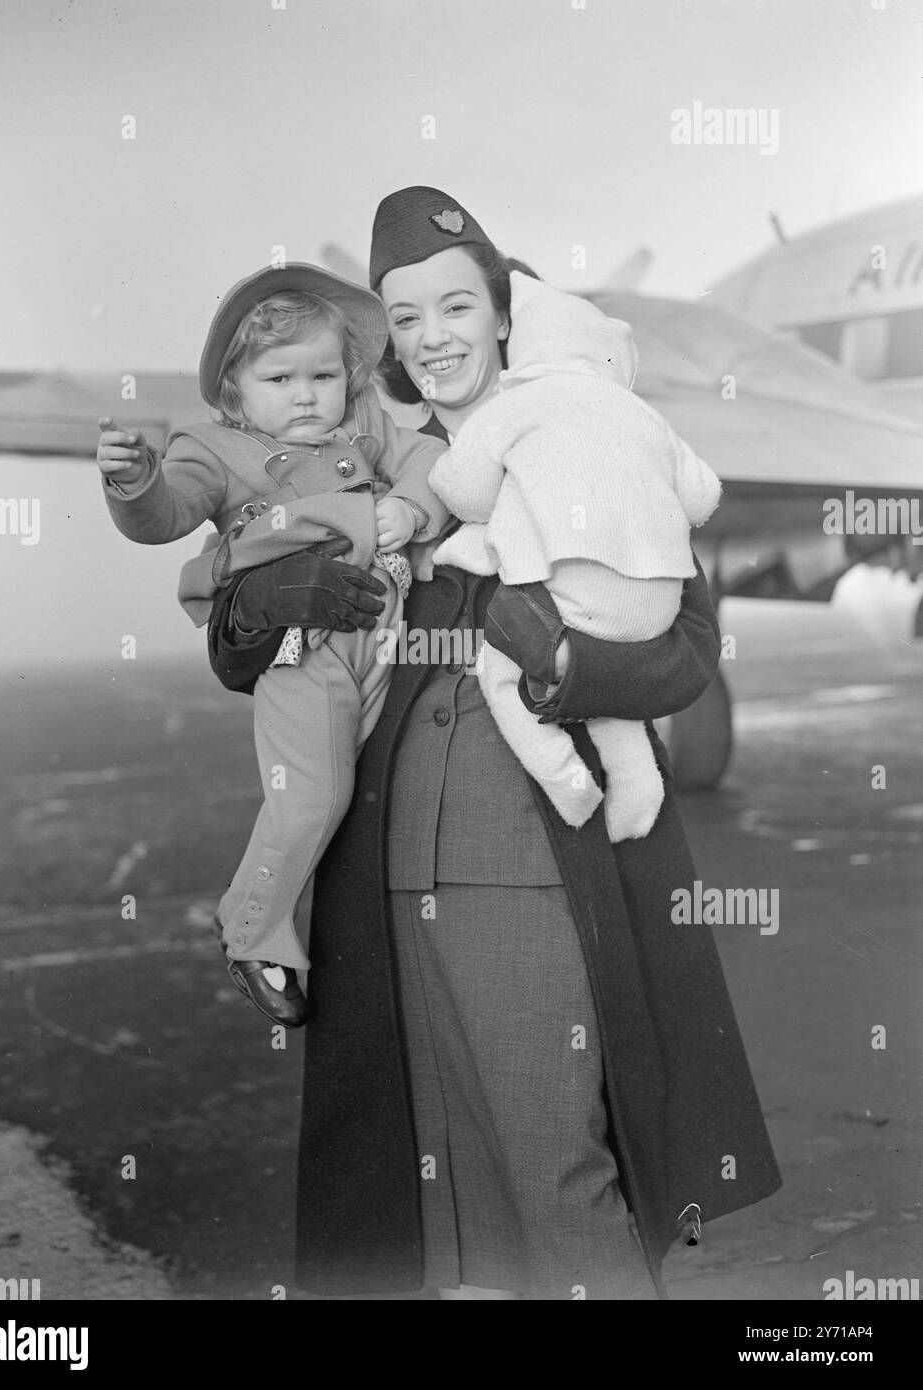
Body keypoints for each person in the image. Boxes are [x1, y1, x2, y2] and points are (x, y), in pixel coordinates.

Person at [207, 186, 781, 1300]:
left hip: (521, 859)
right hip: (379, 869)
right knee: (444, 1201)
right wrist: (284, 593)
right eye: (405, 318)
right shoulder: (355, 456)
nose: (432, 340)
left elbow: (686, 649)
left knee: (551, 1168)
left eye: (455, 307)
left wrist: (561, 662)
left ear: (505, 312)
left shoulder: (584, 429)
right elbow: (238, 646)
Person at [96, 263, 448, 1026]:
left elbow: (424, 458)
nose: (306, 394)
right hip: (303, 649)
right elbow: (167, 514)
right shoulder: (213, 447)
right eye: (280, 377)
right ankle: (252, 929)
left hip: (385, 640)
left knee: (375, 791)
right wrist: (135, 482)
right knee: (313, 795)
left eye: (323, 373)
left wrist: (414, 510)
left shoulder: (365, 423)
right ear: (233, 389)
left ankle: (365, 961)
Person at [428, 269, 722, 839]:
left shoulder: (515, 406)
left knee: (501, 670)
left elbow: (463, 491)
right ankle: (639, 786)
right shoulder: (645, 416)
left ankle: (565, 779)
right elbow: (703, 494)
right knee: (608, 695)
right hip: (655, 612)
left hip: (573, 606)